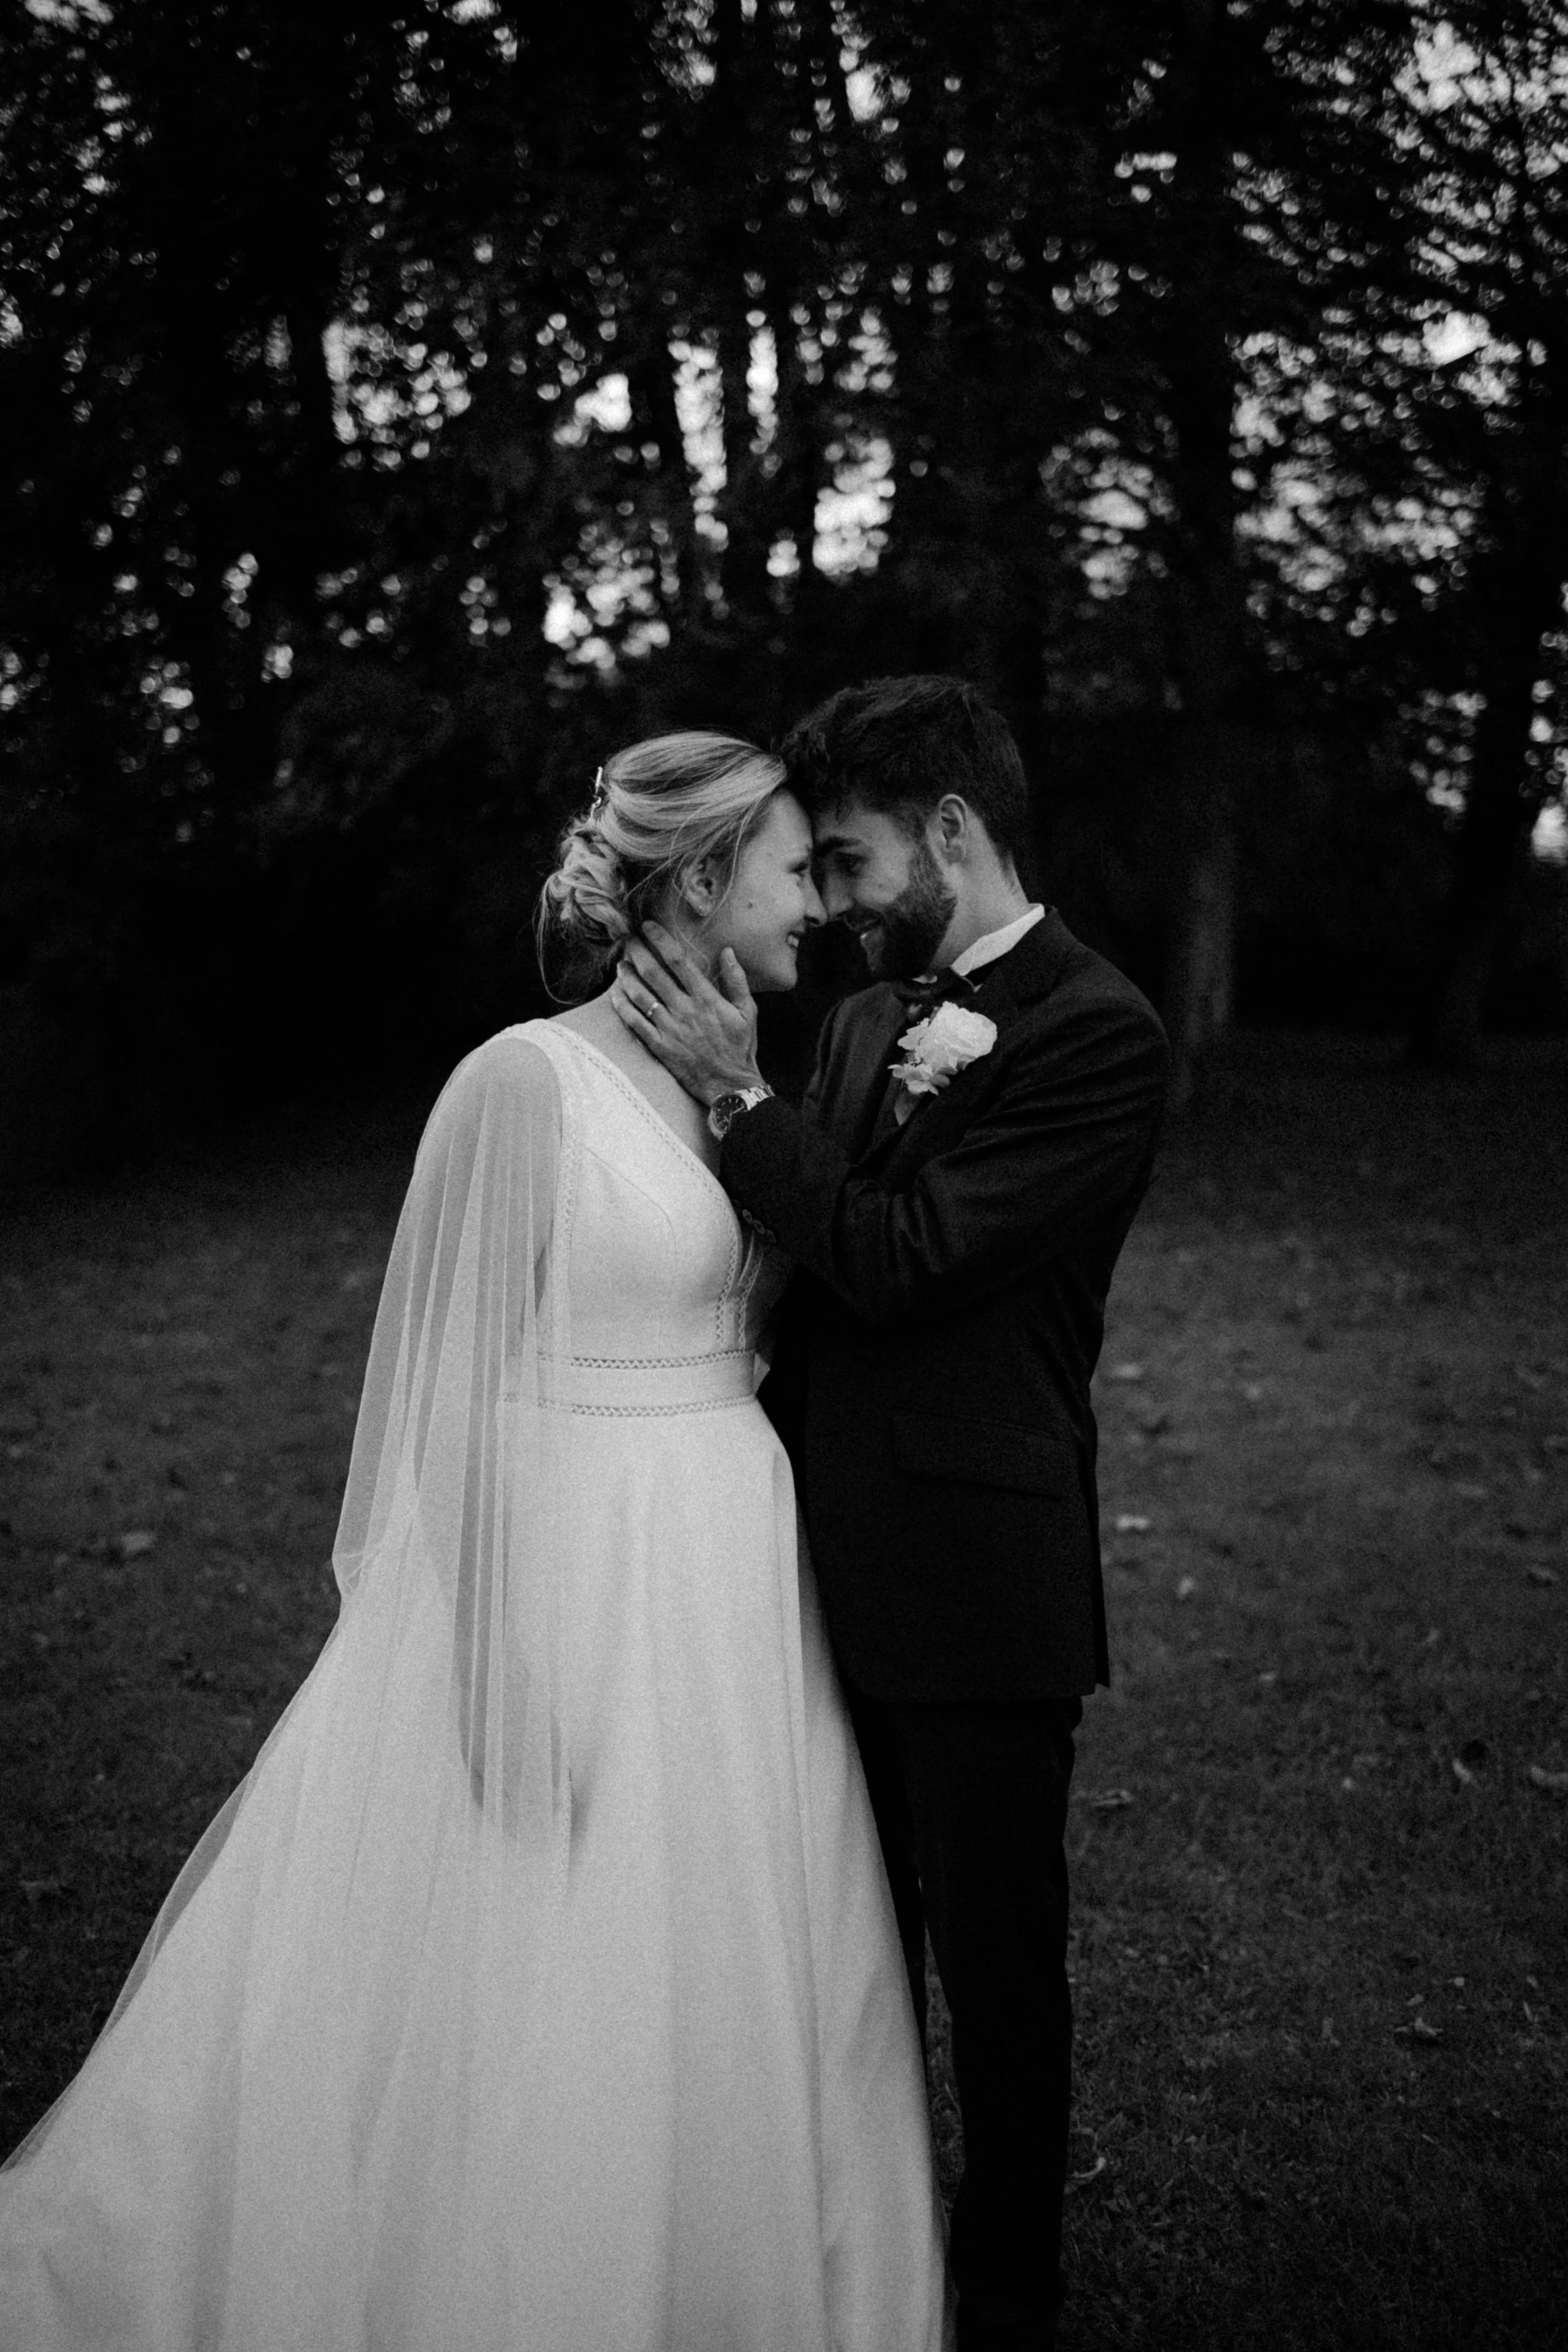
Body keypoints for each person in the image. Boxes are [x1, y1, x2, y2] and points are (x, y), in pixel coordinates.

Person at [0, 733, 952, 2352]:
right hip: (581, 1572)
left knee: (730, 1960)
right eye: (793, 870)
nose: (819, 906)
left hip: (730, 1578)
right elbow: (454, 1414)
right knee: (544, 1973)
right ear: (705, 878)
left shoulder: (740, 1085)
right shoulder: (523, 1082)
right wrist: (500, 1667)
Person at [612, 675, 1171, 2351]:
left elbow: (903, 1258)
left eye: (843, 861)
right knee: (832, 1952)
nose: (829, 901)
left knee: (993, 1975)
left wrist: (736, 1100)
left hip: (978, 1582)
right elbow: (802, 1258)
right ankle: (838, 2258)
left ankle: (1004, 2296)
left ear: (947, 833)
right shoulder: (861, 1021)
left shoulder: (1098, 1034)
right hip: (800, 1559)